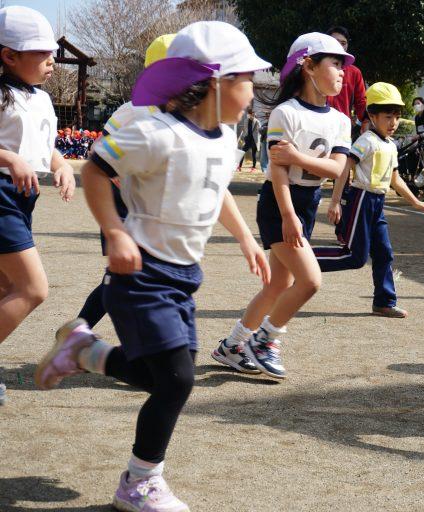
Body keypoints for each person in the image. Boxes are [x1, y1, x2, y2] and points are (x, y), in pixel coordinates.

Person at [34, 21, 271, 511]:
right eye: (248, 79)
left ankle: (84, 352)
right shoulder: (155, 133)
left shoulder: (224, 138)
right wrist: (116, 231)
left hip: (183, 279)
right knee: (177, 380)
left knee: (165, 378)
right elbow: (96, 170)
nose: (254, 90)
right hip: (141, 276)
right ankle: (140, 482)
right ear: (215, 81)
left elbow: (215, 189)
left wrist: (246, 237)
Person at [213, 32, 353, 379]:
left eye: (343, 65)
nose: (342, 71)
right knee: (311, 281)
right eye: (335, 63)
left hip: (308, 203)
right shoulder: (285, 113)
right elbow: (278, 170)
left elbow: (337, 169)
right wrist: (289, 216)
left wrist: (297, 157)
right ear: (309, 66)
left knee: (277, 286)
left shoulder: (340, 120)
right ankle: (265, 341)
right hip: (280, 203)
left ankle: (232, 346)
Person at [0, 6, 76, 405]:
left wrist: (62, 166)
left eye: (53, 53)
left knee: (6, 288)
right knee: (32, 288)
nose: (52, 61)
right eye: (42, 52)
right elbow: (15, 154)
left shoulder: (42, 99)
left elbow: (44, 149)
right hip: (0, 195)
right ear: (9, 55)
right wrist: (9, 159)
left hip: (22, 200)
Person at [74, 33, 175, 330]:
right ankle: (79, 332)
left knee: (140, 274)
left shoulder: (184, 116)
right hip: (123, 204)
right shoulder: (135, 109)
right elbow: (98, 150)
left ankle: (79, 332)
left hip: (155, 208)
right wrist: (122, 178)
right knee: (126, 273)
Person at [313, 83, 424, 318]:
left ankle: (384, 302)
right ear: (372, 115)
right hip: (361, 200)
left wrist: (415, 203)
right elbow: (344, 168)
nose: (393, 122)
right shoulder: (366, 141)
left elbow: (395, 180)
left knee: (384, 253)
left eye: (396, 117)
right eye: (388, 117)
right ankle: (302, 262)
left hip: (378, 203)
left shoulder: (390, 145)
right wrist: (335, 201)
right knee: (355, 256)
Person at [326, 26, 367, 133]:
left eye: (343, 43)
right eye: (335, 41)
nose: (339, 46)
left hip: (342, 129)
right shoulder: (316, 68)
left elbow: (361, 102)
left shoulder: (354, 72)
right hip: (318, 124)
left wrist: (366, 120)